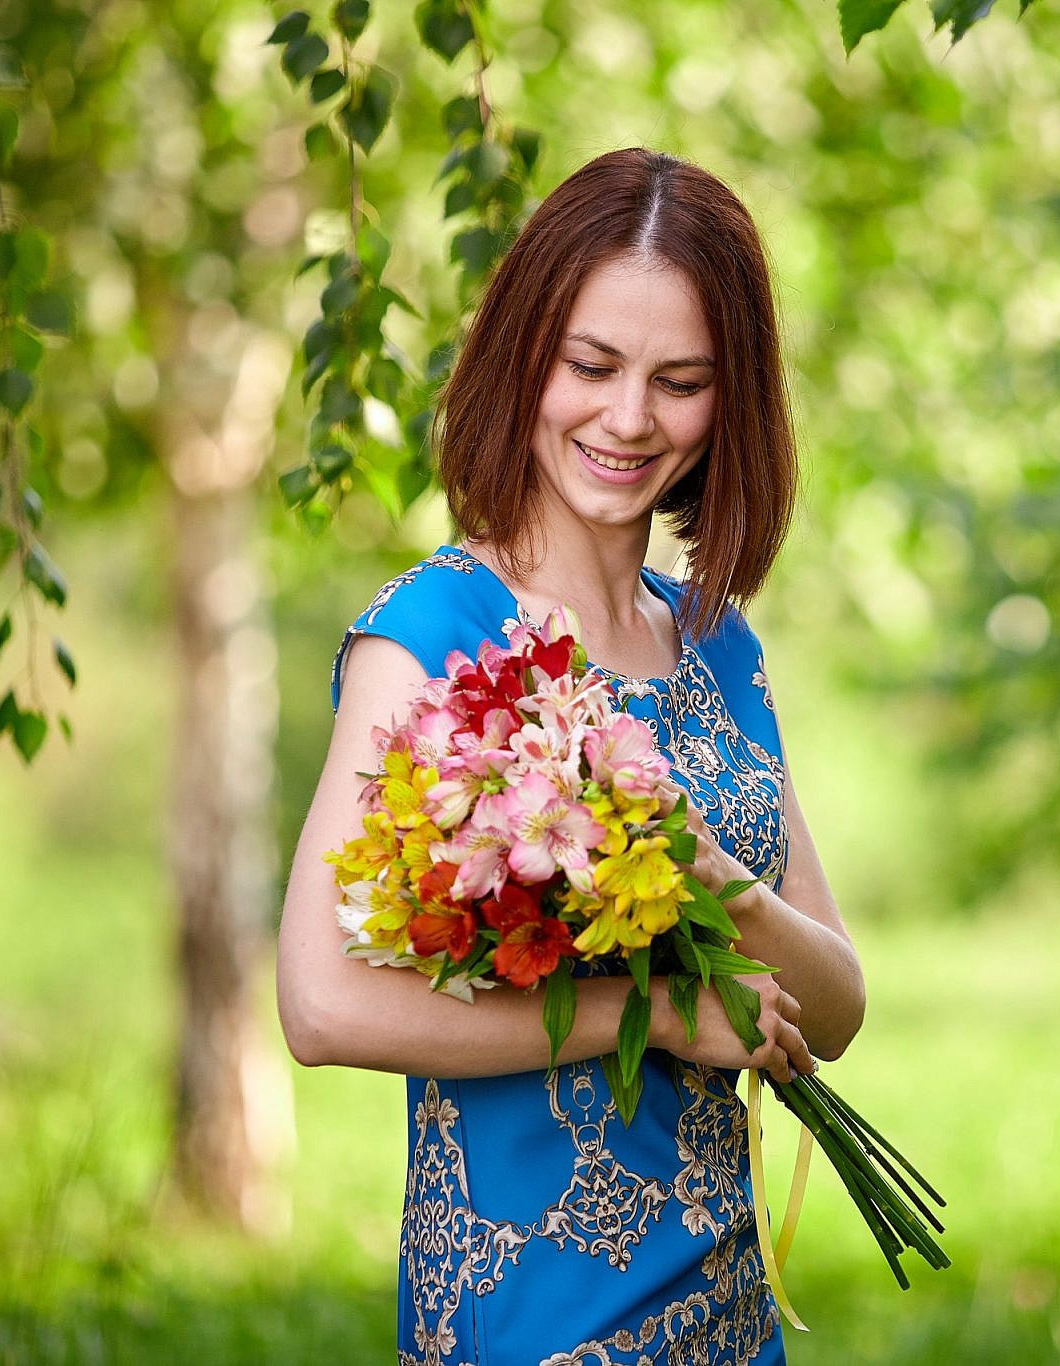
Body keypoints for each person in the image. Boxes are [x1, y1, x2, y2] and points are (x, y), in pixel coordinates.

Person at [276, 147, 865, 1366]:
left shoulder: (718, 646)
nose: (628, 417)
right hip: (527, 1313)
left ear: (730, 400)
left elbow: (840, 1006)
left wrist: (711, 877)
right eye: (590, 365)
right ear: (523, 358)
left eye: (681, 380)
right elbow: (321, 1002)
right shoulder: (431, 637)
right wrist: (655, 1010)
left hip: (728, 1316)